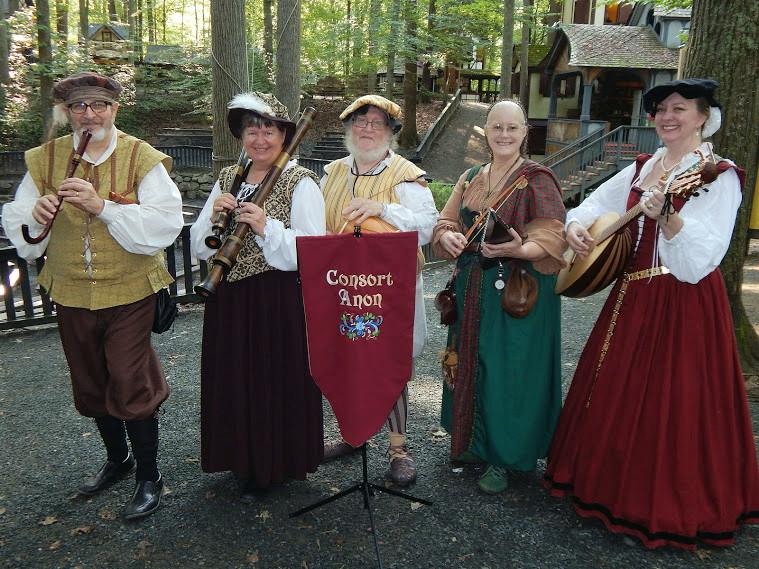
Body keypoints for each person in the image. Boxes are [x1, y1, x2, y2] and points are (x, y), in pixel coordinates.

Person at [543, 78, 759, 549]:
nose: (667, 116)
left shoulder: (718, 175)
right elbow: (595, 205)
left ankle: (659, 503)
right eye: (660, 109)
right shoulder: (644, 166)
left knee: (671, 403)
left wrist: (668, 217)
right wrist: (578, 228)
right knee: (615, 391)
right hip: (630, 298)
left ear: (704, 115)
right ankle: (605, 489)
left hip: (683, 305)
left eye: (679, 108)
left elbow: (704, 259)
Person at [1, 72, 183, 519]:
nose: (89, 114)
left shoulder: (142, 157)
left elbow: (166, 223)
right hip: (71, 290)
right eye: (79, 107)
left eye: (98, 105)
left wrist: (103, 207)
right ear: (67, 112)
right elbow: (21, 220)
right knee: (91, 378)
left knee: (129, 376)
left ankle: (149, 474)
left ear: (114, 109)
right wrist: (35, 211)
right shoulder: (46, 159)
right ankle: (118, 461)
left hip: (130, 291)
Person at [190, 92, 325, 501]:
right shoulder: (229, 176)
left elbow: (312, 250)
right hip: (229, 299)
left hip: (276, 299)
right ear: (242, 136)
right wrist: (219, 213)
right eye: (252, 130)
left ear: (284, 136)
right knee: (233, 379)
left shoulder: (302, 182)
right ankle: (239, 459)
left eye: (269, 130)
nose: (260, 139)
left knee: (271, 380)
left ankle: (272, 466)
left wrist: (267, 227)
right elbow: (200, 244)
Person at [431, 99, 567, 494]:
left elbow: (552, 235)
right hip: (473, 286)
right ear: (485, 132)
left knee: (509, 370)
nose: (504, 135)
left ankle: (505, 458)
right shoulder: (471, 175)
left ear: (525, 132)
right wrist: (448, 235)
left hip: (519, 291)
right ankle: (472, 444)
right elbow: (445, 220)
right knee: (472, 361)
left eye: (512, 127)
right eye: (496, 127)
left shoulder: (537, 177)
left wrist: (518, 250)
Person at [319, 94, 438, 486]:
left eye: (377, 124)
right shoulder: (331, 173)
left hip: (392, 293)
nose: (367, 129)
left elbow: (427, 227)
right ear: (349, 127)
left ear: (390, 133)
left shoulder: (406, 175)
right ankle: (354, 434)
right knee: (347, 359)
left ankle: (398, 448)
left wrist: (382, 209)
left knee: (392, 364)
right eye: (360, 122)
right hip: (344, 288)